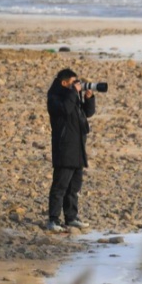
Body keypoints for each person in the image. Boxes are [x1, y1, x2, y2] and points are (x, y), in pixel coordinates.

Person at [46, 68, 96, 231]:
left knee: (74, 187)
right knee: (60, 186)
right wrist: (74, 93)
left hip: (77, 147)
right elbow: (66, 109)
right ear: (64, 83)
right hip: (64, 147)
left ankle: (71, 217)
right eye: (74, 82)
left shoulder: (70, 96)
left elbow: (87, 113)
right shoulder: (55, 97)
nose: (77, 85)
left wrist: (89, 98)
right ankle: (53, 220)